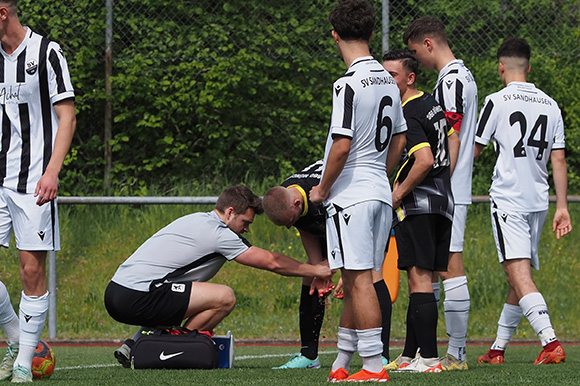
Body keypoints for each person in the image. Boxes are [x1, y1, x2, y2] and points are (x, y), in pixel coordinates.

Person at [105, 185, 333, 368]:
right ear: (230, 212)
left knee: (182, 293)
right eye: (245, 223)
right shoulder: (219, 234)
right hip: (137, 294)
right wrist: (316, 270)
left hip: (117, 290)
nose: (246, 230)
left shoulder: (197, 219)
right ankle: (175, 348)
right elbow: (271, 262)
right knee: (224, 297)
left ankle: (134, 343)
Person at [309, 0, 407, 382]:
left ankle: (373, 366)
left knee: (360, 279)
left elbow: (342, 145)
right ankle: (343, 362)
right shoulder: (387, 78)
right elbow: (399, 137)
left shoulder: (347, 83)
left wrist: (322, 188)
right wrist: (381, 174)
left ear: (335, 35)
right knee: (354, 278)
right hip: (379, 193)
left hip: (353, 195)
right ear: (369, 33)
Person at [474, 37, 571, 365]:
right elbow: (559, 160)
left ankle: (550, 342)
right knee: (519, 275)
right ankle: (498, 349)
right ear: (528, 68)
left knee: (518, 275)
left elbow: (474, 150)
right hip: (538, 201)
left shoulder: (496, 101)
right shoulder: (550, 104)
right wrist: (562, 207)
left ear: (501, 67)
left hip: (509, 200)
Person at [0, 0, 77, 382]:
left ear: (2, 13)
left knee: (31, 273)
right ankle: (16, 337)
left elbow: (68, 115)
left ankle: (21, 366)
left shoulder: (46, 52)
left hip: (33, 183)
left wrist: (52, 171)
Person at [263, 160, 394, 369]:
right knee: (310, 275)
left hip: (363, 213)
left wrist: (346, 271)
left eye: (289, 220)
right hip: (331, 222)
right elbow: (304, 228)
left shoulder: (327, 192)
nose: (289, 226)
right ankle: (308, 355)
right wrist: (319, 270)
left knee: (369, 275)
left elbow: (354, 235)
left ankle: (382, 355)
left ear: (297, 203)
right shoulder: (287, 194)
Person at [403, 16, 477, 371]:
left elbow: (453, 136)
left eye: (416, 51)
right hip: (447, 188)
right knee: (431, 269)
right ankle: (426, 351)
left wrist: (442, 182)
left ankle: (457, 353)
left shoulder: (452, 81)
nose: (418, 58)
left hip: (447, 189)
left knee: (450, 267)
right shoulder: (460, 77)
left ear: (428, 44)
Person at [382, 49, 457, 373]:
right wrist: (443, 179)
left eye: (393, 76)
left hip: (419, 203)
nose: (387, 81)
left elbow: (424, 159)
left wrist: (397, 194)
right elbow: (452, 139)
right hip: (441, 200)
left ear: (410, 77)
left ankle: (428, 358)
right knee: (420, 279)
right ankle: (411, 354)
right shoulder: (432, 104)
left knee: (419, 279)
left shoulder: (408, 111)